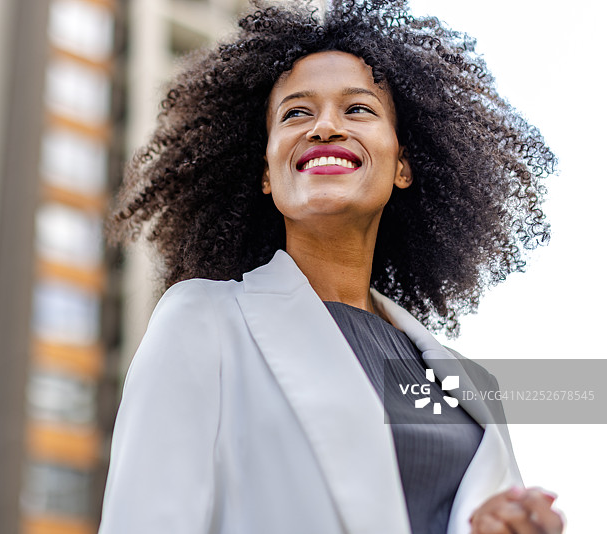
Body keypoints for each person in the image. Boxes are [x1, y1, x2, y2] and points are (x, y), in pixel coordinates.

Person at [99, 1, 564, 533]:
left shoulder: (473, 385)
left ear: (403, 164)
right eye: (296, 113)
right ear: (267, 172)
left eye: (358, 109)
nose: (324, 127)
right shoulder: (201, 319)